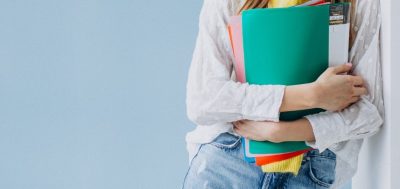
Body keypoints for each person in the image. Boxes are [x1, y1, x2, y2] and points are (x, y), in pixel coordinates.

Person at [182, 0, 384, 188]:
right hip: (228, 160)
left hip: (310, 169)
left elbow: (369, 112)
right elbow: (202, 100)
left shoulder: (361, 3)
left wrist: (283, 132)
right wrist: (312, 95)